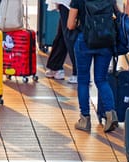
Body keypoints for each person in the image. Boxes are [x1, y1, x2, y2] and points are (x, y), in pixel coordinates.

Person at [67, 0, 119, 133]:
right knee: (101, 79)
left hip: (85, 41)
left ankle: (85, 119)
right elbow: (117, 16)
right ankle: (110, 114)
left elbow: (70, 25)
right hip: (105, 41)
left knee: (83, 81)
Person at [45, 0, 78, 84]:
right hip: (67, 3)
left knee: (69, 34)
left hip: (68, 3)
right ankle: (55, 66)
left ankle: (78, 72)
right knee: (63, 34)